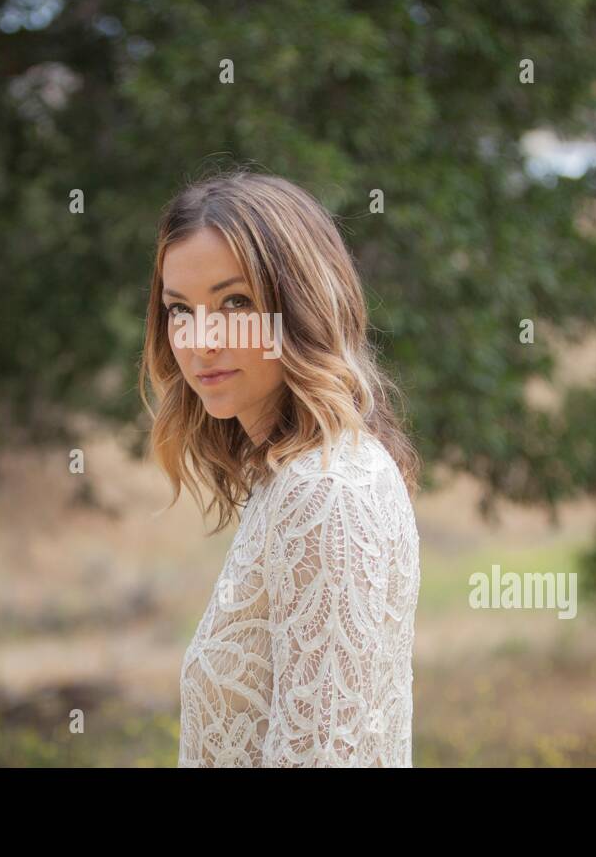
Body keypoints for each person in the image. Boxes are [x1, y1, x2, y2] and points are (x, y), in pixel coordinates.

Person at [140, 168, 421, 767]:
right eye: (179, 309)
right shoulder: (298, 478)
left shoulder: (324, 492)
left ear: (298, 306)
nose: (200, 340)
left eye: (234, 302)